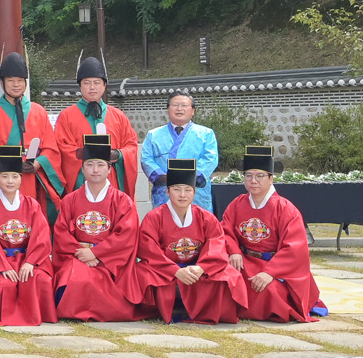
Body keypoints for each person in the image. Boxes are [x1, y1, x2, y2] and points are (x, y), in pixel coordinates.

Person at [131, 159, 246, 324]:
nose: (182, 195)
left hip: (197, 269)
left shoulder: (206, 217)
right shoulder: (154, 217)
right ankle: (164, 310)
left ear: (194, 192)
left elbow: (216, 246)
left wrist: (201, 268)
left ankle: (203, 311)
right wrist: (175, 271)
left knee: (230, 275)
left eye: (187, 190)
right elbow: (149, 250)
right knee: (139, 273)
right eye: (176, 189)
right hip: (164, 270)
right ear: (167, 191)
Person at [220, 146, 327, 323]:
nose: (253, 181)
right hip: (245, 262)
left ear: (271, 178)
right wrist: (234, 251)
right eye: (248, 175)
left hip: (274, 266)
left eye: (260, 176)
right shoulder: (237, 204)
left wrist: (270, 272)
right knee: (223, 280)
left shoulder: (285, 209)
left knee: (269, 290)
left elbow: (295, 249)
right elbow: (224, 232)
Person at [52, 135, 142, 322]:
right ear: (82, 168)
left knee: (96, 280)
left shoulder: (122, 201)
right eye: (90, 165)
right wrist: (82, 253)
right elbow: (61, 233)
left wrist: (96, 253)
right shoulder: (69, 200)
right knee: (75, 276)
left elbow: (126, 235)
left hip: (110, 260)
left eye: (101, 165)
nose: (95, 170)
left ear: (109, 169)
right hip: (76, 256)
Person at [0, 146, 56, 326]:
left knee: (39, 278)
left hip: (27, 258)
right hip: (1, 261)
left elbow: (41, 236)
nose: (10, 181)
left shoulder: (32, 205)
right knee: (4, 284)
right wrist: (1, 266)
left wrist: (30, 262)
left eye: (15, 176)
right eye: (5, 176)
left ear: (21, 178)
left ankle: (37, 315)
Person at [0, 53, 65, 218]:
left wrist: (38, 163)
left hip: (33, 177)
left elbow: (51, 148)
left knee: (33, 217)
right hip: (5, 177)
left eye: (20, 80)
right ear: (2, 83)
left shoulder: (39, 111)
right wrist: (11, 167)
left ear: (25, 82)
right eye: (11, 80)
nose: (16, 85)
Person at [52, 57, 141, 196]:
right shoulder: (66, 116)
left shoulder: (118, 116)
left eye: (97, 82)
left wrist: (118, 154)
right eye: (87, 83)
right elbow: (61, 148)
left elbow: (131, 146)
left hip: (112, 181)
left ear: (104, 85)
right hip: (81, 183)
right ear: (80, 86)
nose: (92, 87)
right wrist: (83, 153)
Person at [139, 93, 219, 212]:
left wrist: (189, 178)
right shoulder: (153, 135)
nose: (179, 109)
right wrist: (162, 177)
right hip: (165, 191)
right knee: (163, 221)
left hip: (195, 192)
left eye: (184, 105)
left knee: (198, 221)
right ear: (168, 109)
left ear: (193, 110)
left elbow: (211, 158)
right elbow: (146, 159)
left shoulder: (206, 134)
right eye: (175, 105)